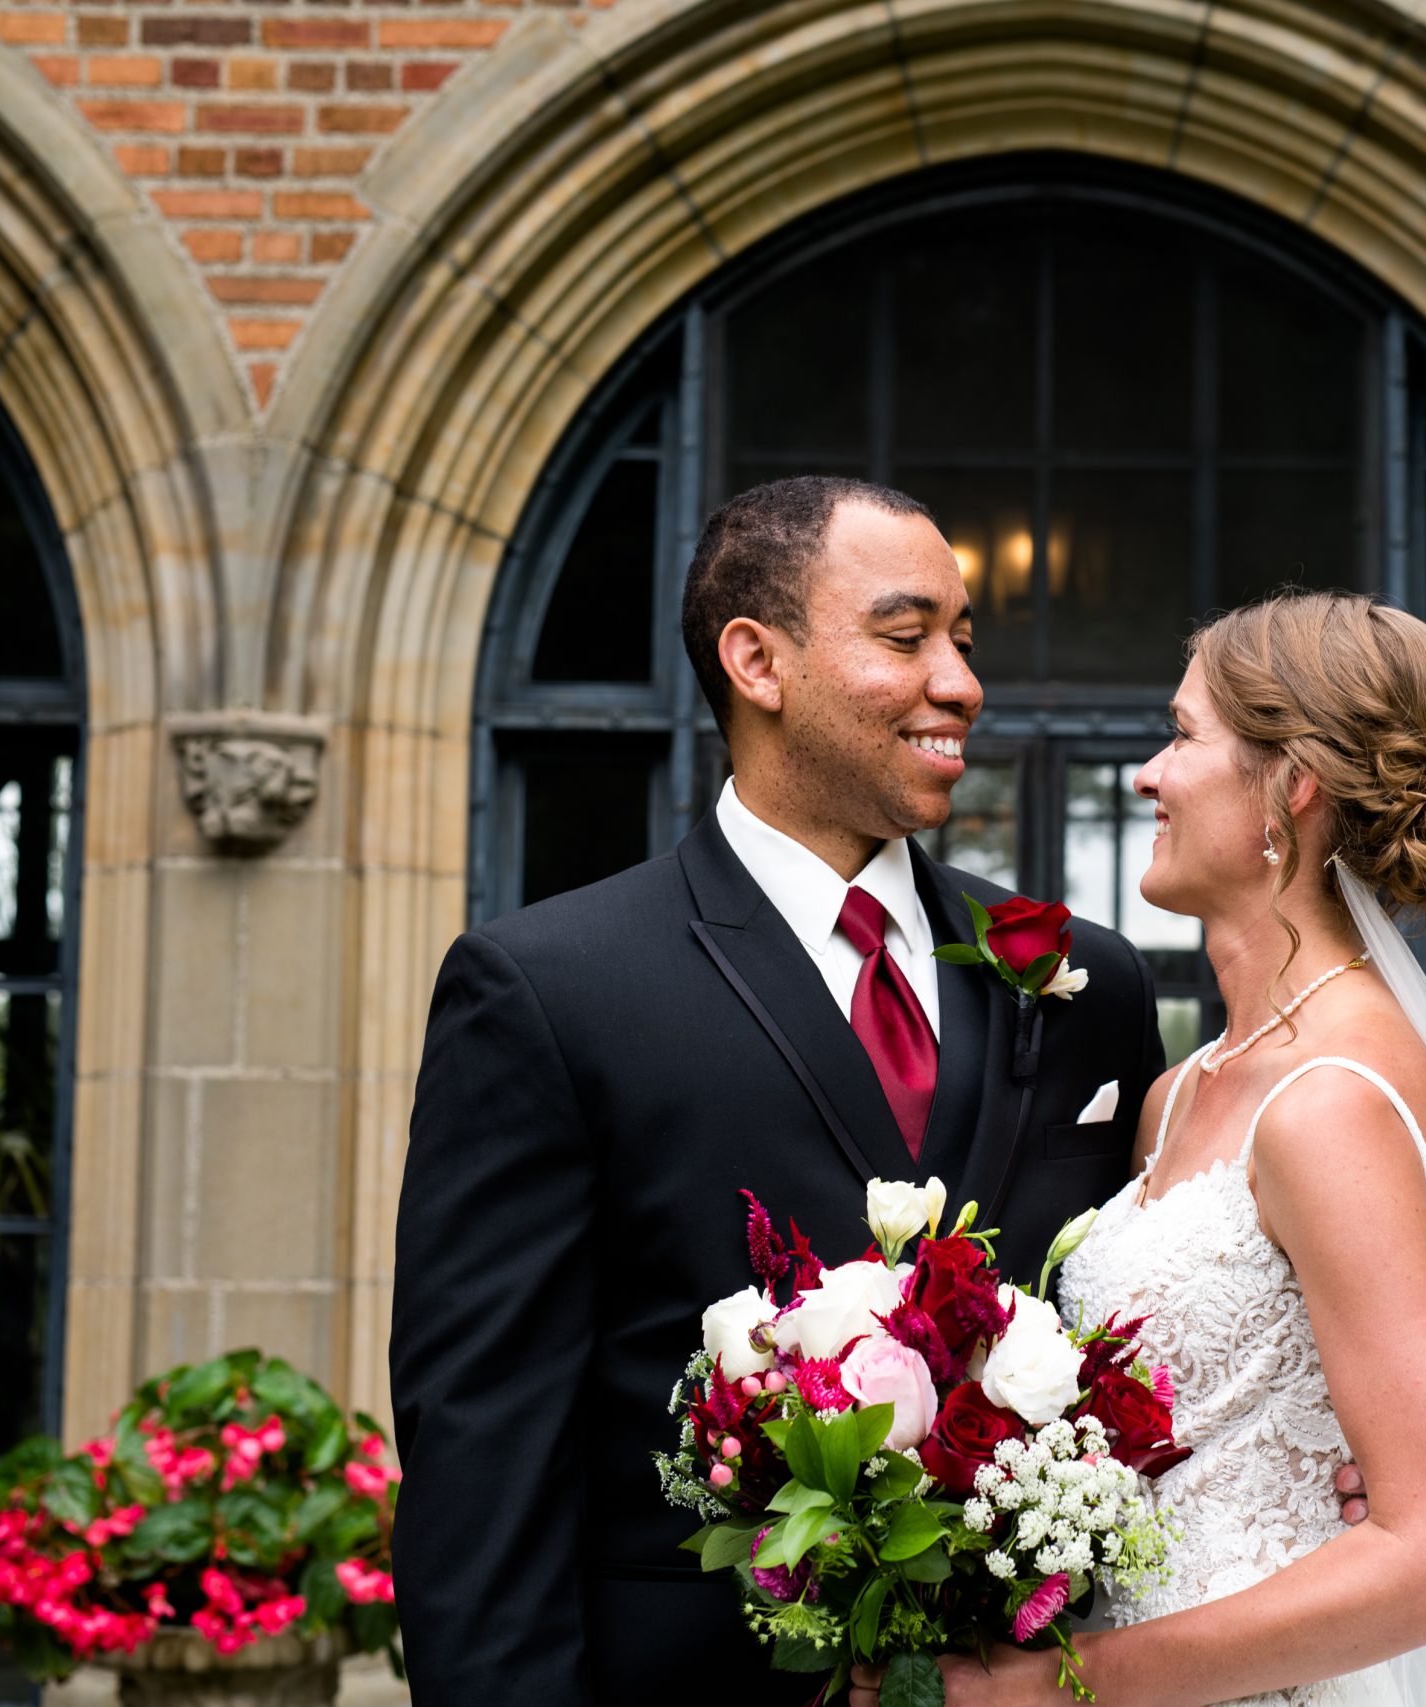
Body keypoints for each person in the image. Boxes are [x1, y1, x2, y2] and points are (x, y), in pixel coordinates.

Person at [387, 477, 1170, 1707]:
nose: (960, 683)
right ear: (756, 660)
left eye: (962, 643)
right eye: (906, 639)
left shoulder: (1086, 985)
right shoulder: (548, 989)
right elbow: (482, 1455)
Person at [917, 592, 1426, 1706]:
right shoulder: (1178, 1094)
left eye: (1183, 736)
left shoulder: (1333, 1100)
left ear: (1291, 788)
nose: (1147, 774)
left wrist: (1050, 1688)